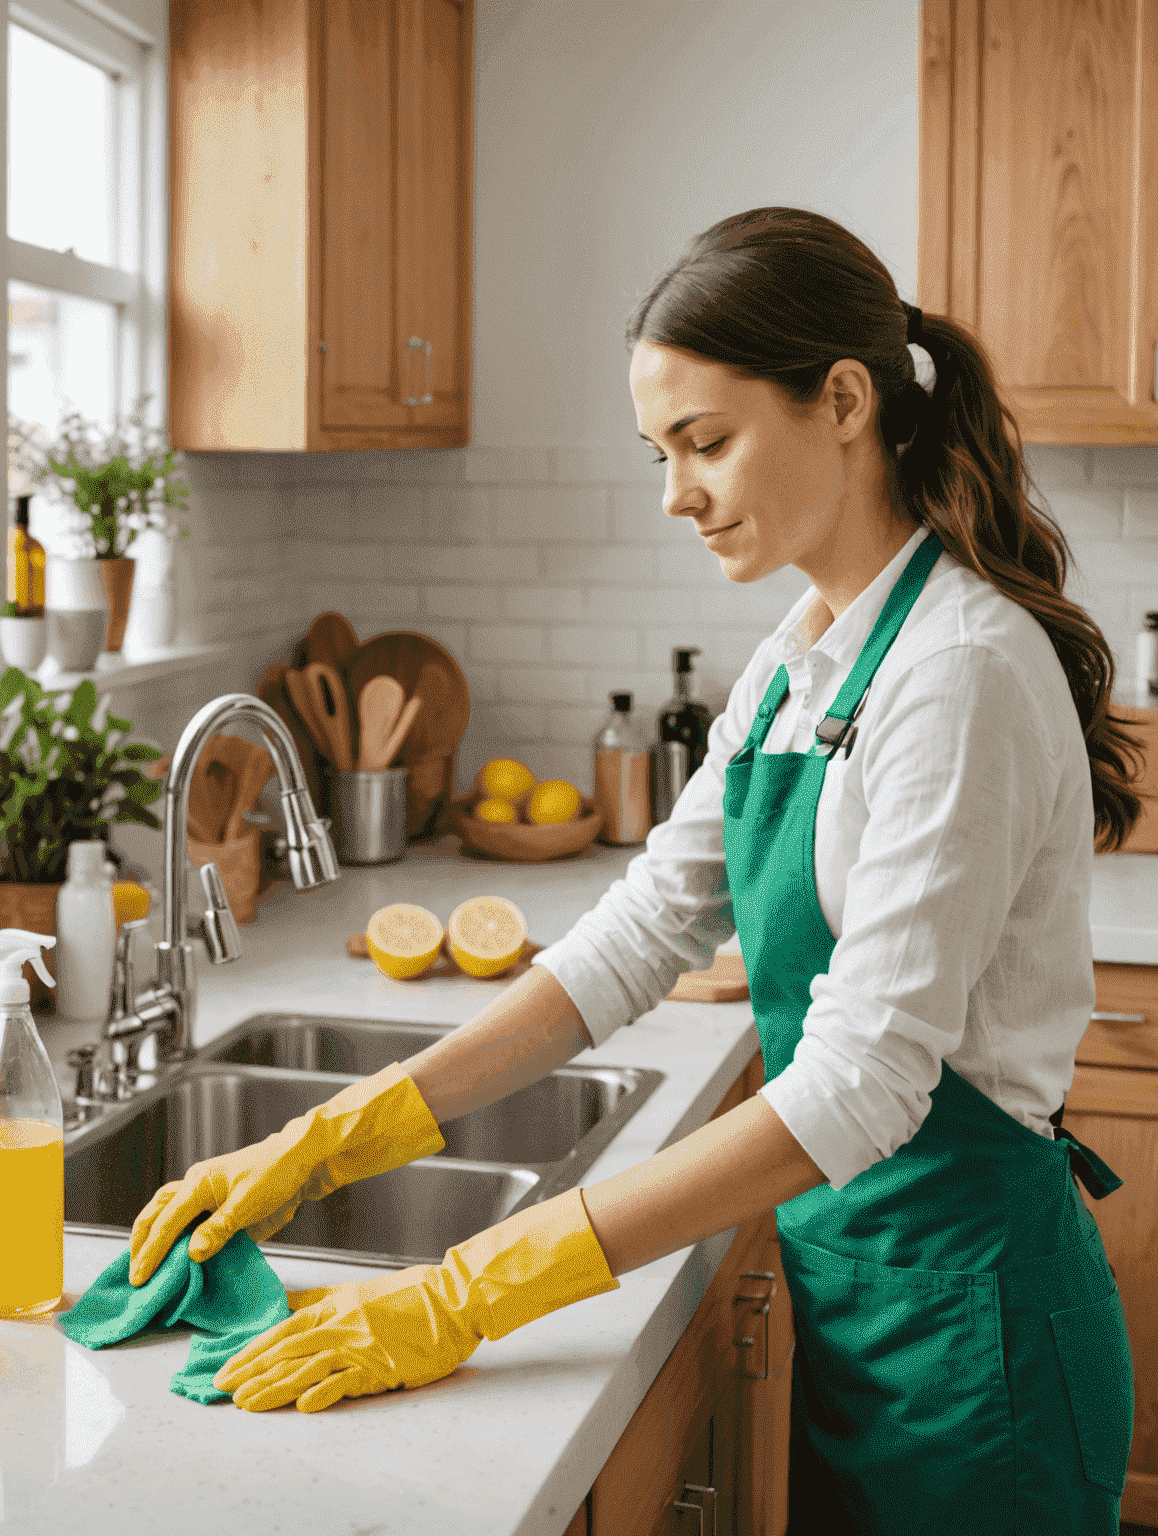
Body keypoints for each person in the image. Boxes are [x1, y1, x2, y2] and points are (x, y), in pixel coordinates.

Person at [127, 208, 1145, 1533]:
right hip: (862, 1295)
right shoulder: (799, 661)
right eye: (660, 453)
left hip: (977, 1338)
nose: (675, 493)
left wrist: (470, 1290)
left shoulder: (956, 672)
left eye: (706, 444)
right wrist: (328, 1138)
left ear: (842, 401)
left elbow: (857, 1086)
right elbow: (634, 939)